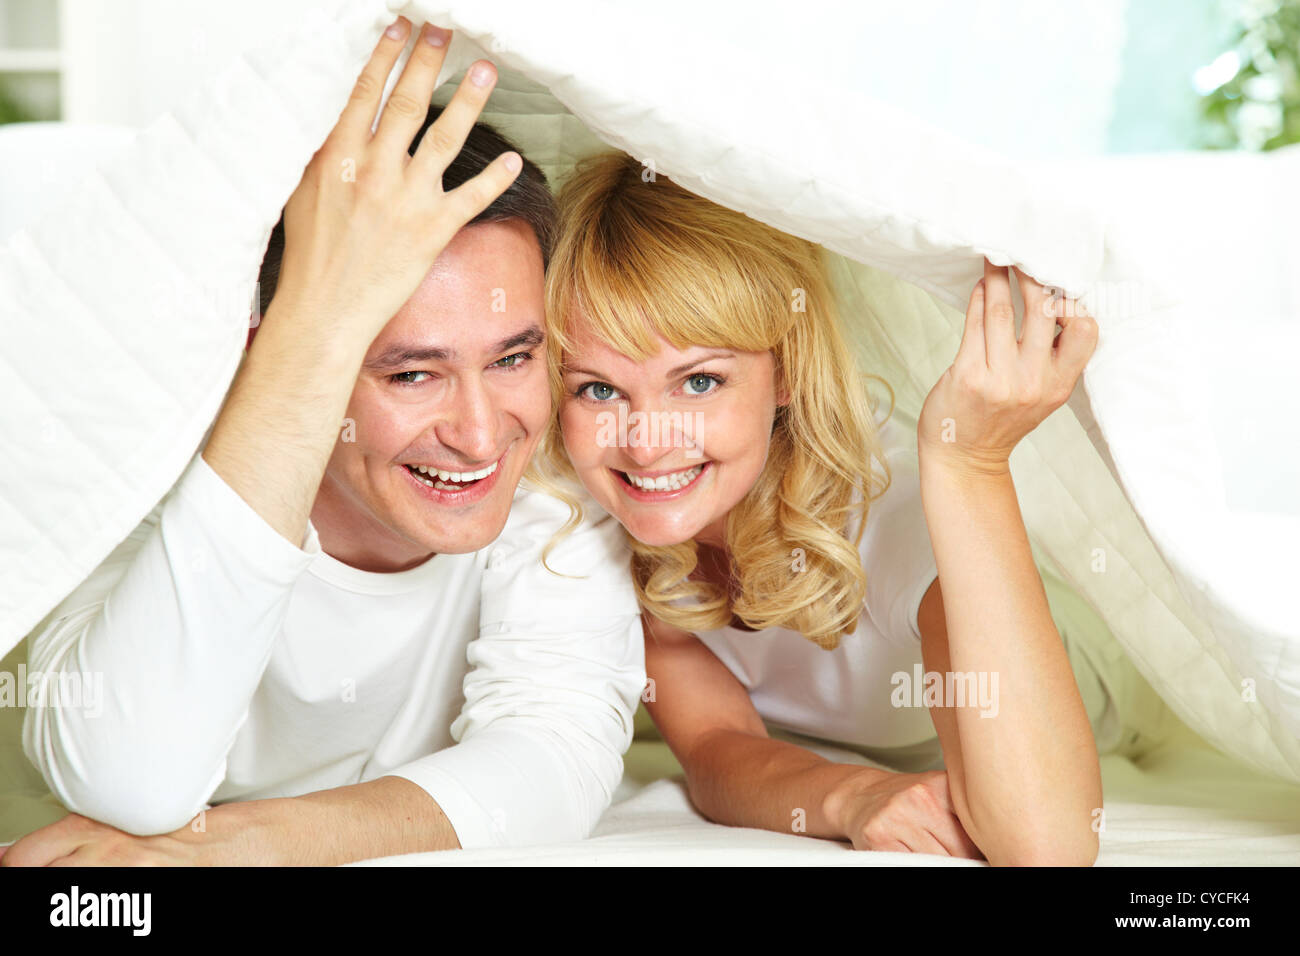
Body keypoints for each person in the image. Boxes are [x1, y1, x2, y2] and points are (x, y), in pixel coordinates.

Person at [0, 21, 642, 867]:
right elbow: (128, 779)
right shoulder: (154, 458)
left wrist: (233, 846)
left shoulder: (557, 482)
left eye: (514, 357)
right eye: (411, 374)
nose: (482, 434)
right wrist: (315, 324)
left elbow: (556, 757)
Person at [538, 151, 1135, 866]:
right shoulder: (595, 520)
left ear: (786, 373)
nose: (646, 443)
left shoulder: (893, 506)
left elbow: (1048, 845)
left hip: (1089, 683)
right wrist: (851, 797)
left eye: (698, 381)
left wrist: (970, 464)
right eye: (598, 390)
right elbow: (714, 748)